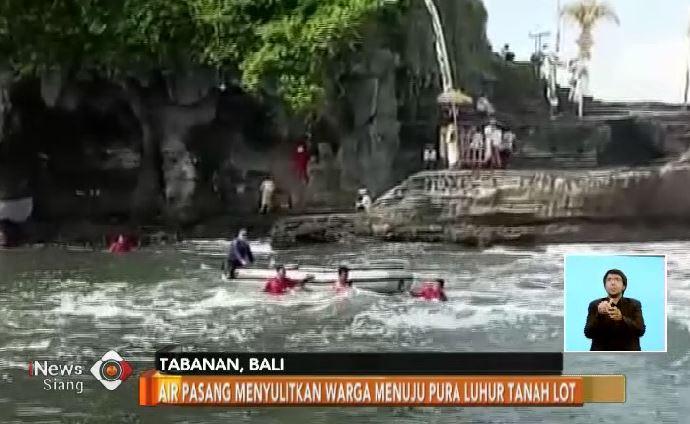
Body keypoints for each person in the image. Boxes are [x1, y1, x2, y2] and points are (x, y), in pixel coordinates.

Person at [584, 269, 646, 351]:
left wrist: (622, 319)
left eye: (617, 279)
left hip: (629, 356)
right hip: (601, 356)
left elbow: (640, 331)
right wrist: (599, 314)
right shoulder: (595, 305)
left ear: (624, 286)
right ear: (605, 285)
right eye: (609, 280)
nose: (612, 283)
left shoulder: (634, 304)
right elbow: (588, 333)